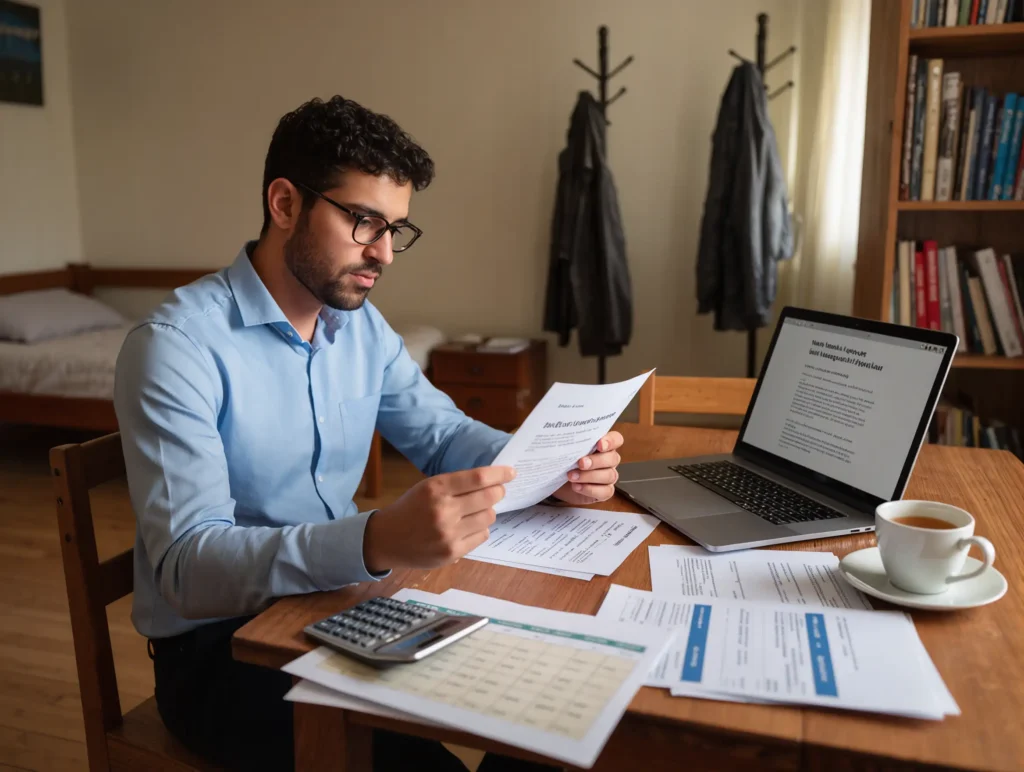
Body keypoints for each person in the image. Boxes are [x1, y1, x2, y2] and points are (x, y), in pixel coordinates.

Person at [114, 95, 626, 772]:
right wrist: (377, 539)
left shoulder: (357, 325)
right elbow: (186, 570)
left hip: (344, 607)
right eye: (363, 222)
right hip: (222, 658)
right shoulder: (176, 347)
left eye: (396, 229)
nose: (383, 253)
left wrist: (551, 463)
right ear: (285, 203)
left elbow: (442, 434)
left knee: (553, 712)